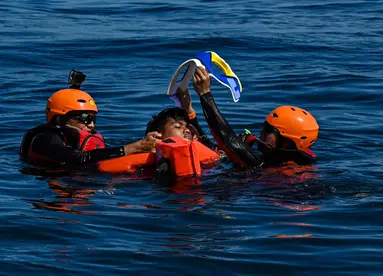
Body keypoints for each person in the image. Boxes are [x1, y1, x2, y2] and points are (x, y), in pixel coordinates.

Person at [177, 67, 319, 169]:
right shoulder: (264, 154)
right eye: (264, 126)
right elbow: (215, 148)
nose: (261, 132)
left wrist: (205, 94)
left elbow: (226, 138)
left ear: (287, 143)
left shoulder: (262, 163)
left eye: (268, 130)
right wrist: (189, 111)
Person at [20, 70, 162, 169]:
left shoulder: (80, 139)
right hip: (61, 188)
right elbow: (75, 159)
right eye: (84, 118)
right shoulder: (44, 139)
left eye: (93, 118)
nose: (91, 124)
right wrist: (134, 147)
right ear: (59, 120)